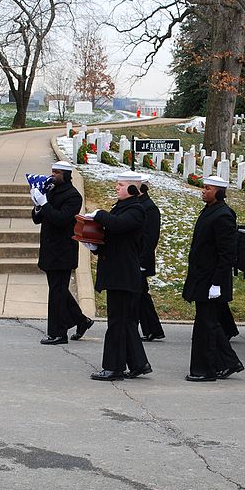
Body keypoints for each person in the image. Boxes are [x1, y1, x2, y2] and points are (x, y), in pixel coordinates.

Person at [81, 172, 152, 381]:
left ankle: (114, 367)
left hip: (123, 275)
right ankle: (139, 364)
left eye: (120, 185)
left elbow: (117, 225)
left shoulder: (136, 210)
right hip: (117, 272)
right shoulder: (122, 208)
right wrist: (94, 245)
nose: (116, 188)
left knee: (117, 323)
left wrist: (99, 214)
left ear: (132, 189)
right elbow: (115, 237)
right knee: (124, 322)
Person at [182, 176, 244, 382]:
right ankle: (229, 362)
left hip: (211, 280)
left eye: (207, 188)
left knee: (206, 326)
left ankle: (205, 370)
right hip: (202, 276)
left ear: (218, 192)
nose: (203, 191)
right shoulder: (210, 210)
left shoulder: (224, 215)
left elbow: (227, 253)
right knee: (209, 323)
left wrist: (217, 283)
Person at [30, 160, 93, 345]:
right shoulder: (50, 190)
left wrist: (45, 204)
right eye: (52, 172)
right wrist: (37, 205)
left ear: (66, 175)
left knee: (57, 292)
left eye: (57, 173)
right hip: (50, 248)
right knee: (58, 290)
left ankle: (58, 333)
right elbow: (37, 219)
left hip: (63, 250)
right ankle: (82, 321)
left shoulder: (73, 196)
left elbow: (62, 219)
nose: (53, 175)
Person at [137, 174, 165, 342]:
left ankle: (153, 329)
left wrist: (142, 261)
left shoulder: (149, 208)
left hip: (141, 258)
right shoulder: (140, 205)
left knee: (141, 295)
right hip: (135, 258)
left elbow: (150, 239)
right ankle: (152, 329)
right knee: (140, 295)